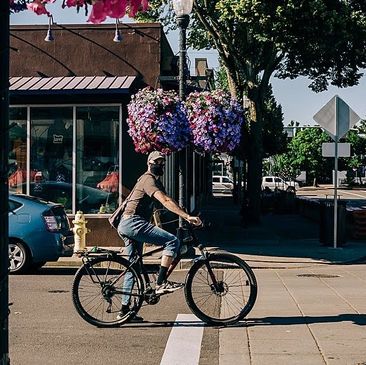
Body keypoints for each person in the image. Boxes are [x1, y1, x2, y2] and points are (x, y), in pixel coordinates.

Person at [117, 151, 202, 320]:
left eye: (162, 162)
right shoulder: (148, 179)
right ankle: (161, 282)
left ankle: (124, 310)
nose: (161, 165)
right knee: (172, 241)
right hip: (133, 222)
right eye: (157, 162)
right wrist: (186, 217)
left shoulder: (153, 180)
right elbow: (164, 200)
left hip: (127, 224)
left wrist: (183, 213)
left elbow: (169, 199)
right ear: (149, 163)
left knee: (132, 267)